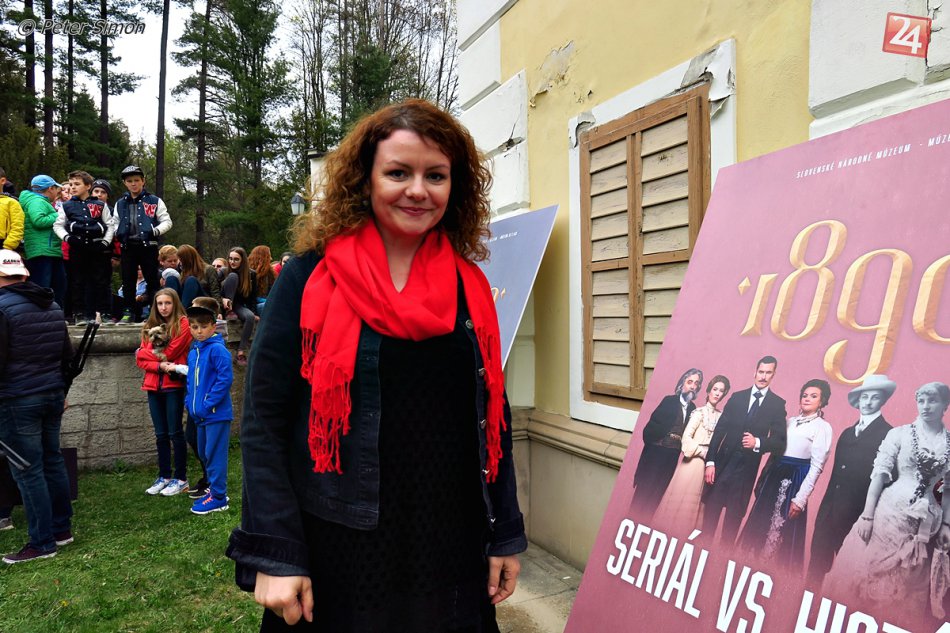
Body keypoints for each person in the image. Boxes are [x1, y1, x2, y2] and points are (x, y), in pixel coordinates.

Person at [226, 99, 526, 631]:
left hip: (450, 547)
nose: (418, 190)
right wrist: (276, 553)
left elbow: (491, 419)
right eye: (398, 173)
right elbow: (264, 421)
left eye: (436, 175)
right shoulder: (307, 277)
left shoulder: (471, 288)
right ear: (365, 180)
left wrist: (504, 532)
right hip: (341, 547)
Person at [823, 382, 950, 618]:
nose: (925, 406)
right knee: (866, 573)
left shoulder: (949, 443)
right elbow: (879, 476)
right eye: (921, 401)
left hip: (925, 525)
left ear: (945, 405)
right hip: (888, 516)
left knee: (907, 583)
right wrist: (867, 516)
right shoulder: (899, 434)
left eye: (932, 401)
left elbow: (947, 489)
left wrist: (946, 524)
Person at [0, 250, 74, 564]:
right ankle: (61, 529)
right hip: (51, 394)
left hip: (17, 400)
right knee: (52, 461)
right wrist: (61, 391)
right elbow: (67, 356)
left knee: (28, 471)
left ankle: (42, 542)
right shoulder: (52, 305)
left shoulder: (2, 308)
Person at [808, 374, 896, 585]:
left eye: (875, 397)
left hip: (857, 519)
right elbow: (835, 478)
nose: (868, 402)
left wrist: (869, 517)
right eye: (865, 397)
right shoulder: (847, 433)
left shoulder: (889, 435)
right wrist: (824, 511)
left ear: (883, 400)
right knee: (815, 572)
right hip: (828, 515)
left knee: (847, 580)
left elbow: (888, 483)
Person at [738, 379, 832, 571]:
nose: (807, 399)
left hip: (794, 480)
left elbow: (816, 466)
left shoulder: (822, 427)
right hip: (774, 476)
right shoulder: (789, 422)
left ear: (822, 402)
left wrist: (800, 499)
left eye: (813, 396)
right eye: (804, 395)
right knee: (759, 526)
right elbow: (775, 449)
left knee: (780, 531)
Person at [702, 356, 787, 546]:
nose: (763, 376)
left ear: (773, 375)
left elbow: (780, 443)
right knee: (708, 524)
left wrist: (758, 442)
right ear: (755, 372)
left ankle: (719, 561)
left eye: (768, 373)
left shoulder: (777, 404)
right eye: (761, 372)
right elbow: (719, 432)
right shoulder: (737, 397)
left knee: (730, 531)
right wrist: (710, 462)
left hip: (745, 474)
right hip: (722, 467)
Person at [135, 288, 193, 497]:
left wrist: (144, 353)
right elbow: (140, 360)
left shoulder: (183, 324)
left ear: (174, 303)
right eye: (160, 303)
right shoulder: (148, 325)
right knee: (160, 434)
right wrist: (159, 365)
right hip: (153, 385)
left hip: (173, 385)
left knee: (175, 432)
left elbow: (170, 352)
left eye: (167, 303)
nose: (163, 307)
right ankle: (164, 476)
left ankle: (181, 478)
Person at [653, 375, 731, 531]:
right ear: (708, 391)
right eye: (715, 389)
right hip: (691, 465)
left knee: (697, 512)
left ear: (724, 394)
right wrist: (703, 452)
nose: (717, 393)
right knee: (679, 509)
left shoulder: (722, 417)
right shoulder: (698, 413)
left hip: (707, 470)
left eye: (721, 391)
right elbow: (686, 440)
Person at [180, 296, 233, 515]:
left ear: (213, 326)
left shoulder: (217, 350)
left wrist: (207, 404)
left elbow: (224, 380)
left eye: (203, 327)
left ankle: (219, 497)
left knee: (214, 454)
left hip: (216, 414)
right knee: (204, 453)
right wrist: (189, 402)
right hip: (200, 414)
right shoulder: (195, 351)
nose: (199, 331)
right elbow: (191, 381)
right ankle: (214, 489)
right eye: (194, 327)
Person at [631, 368, 703, 518]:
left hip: (672, 458)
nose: (692, 386)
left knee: (656, 497)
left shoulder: (693, 409)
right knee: (642, 496)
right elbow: (650, 430)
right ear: (682, 384)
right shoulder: (669, 401)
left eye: (696, 383)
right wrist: (662, 440)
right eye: (689, 382)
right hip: (656, 455)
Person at [53, 170, 116, 325]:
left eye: (77, 184)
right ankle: (80, 314)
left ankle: (105, 313)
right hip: (77, 246)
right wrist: (68, 238)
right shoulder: (67, 206)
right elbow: (58, 225)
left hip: (97, 247)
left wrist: (105, 242)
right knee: (78, 281)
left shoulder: (100, 205)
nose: (72, 187)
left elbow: (110, 225)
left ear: (88, 186)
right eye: (71, 184)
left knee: (101, 281)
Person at [113, 165, 172, 323]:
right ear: (125, 183)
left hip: (148, 245)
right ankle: (128, 312)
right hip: (128, 246)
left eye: (136, 180)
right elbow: (114, 222)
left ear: (143, 181)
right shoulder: (120, 203)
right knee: (128, 280)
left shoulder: (154, 201)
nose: (133, 184)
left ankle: (155, 313)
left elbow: (166, 221)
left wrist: (155, 231)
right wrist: (117, 232)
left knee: (152, 280)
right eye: (129, 181)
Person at [19, 175, 66, 309]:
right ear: (50, 188)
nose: (57, 192)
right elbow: (38, 220)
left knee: (58, 284)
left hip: (48, 250)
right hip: (42, 251)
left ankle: (54, 314)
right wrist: (59, 215)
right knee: (43, 287)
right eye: (56, 189)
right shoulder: (36, 201)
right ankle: (42, 314)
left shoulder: (38, 201)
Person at [220, 246, 257, 366]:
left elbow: (252, 297)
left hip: (238, 305)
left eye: (236, 259)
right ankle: (228, 310)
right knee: (233, 276)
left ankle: (241, 352)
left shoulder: (251, 274)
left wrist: (254, 312)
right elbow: (213, 292)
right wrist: (222, 300)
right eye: (230, 258)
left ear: (243, 260)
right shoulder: (223, 272)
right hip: (223, 303)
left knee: (250, 316)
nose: (232, 262)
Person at [0, 167, 24, 251]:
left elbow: (17, 227)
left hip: (3, 246)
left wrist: (8, 247)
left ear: (2, 181)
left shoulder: (12, 203)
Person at [247, 245, 276, 312]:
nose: (271, 259)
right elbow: (249, 297)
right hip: (253, 306)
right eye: (269, 256)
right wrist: (267, 301)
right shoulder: (249, 273)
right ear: (262, 258)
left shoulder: (270, 273)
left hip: (267, 302)